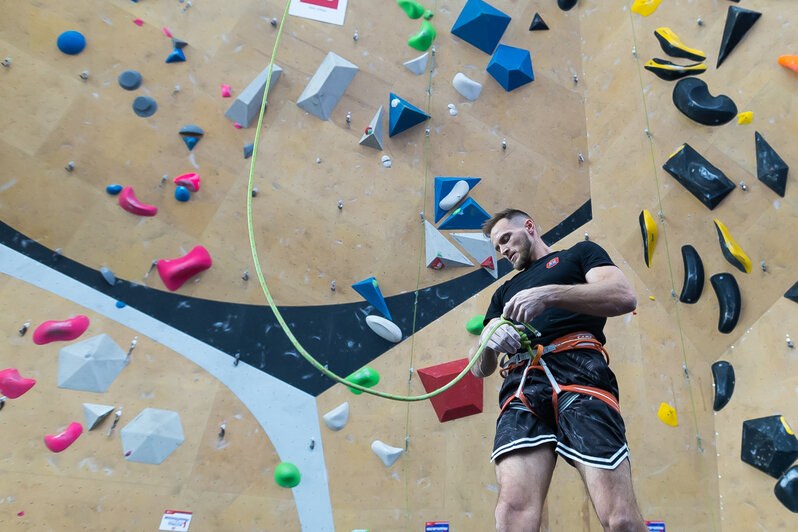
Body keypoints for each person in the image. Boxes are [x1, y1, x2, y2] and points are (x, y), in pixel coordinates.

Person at [472, 208, 646, 532]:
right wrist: (489, 338)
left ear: (529, 227)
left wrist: (548, 295)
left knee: (620, 519)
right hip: (522, 382)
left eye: (506, 239)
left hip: (579, 370)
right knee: (511, 515)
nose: (503, 251)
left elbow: (623, 296)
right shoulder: (503, 293)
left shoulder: (580, 254)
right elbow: (480, 370)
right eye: (497, 247)